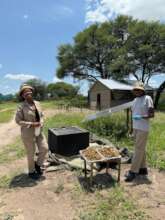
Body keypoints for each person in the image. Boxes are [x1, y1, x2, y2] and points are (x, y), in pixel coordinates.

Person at [15, 84, 48, 180]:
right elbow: (18, 121)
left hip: (39, 131)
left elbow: (42, 115)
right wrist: (32, 124)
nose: (28, 93)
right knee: (31, 152)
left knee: (45, 148)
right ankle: (31, 171)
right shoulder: (21, 106)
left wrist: (42, 121)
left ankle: (37, 165)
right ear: (22, 95)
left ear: (32, 92)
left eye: (29, 91)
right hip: (27, 133)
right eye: (25, 92)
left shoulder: (37, 103)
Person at [125, 82, 154, 182]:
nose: (136, 91)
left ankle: (133, 171)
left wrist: (141, 117)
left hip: (143, 128)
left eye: (138, 90)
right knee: (140, 149)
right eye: (135, 90)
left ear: (142, 90)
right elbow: (133, 115)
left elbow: (152, 114)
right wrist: (131, 128)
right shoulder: (135, 100)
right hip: (136, 128)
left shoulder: (147, 98)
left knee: (138, 149)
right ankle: (143, 169)